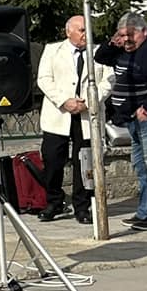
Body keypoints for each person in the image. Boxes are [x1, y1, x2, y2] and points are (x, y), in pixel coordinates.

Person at [96, 13, 147, 230]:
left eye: (130, 35)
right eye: (122, 35)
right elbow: (100, 57)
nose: (126, 40)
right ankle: (144, 212)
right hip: (134, 119)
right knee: (141, 168)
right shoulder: (123, 49)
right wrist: (111, 43)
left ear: (144, 32)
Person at [36, 15, 109, 224]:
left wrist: (90, 100)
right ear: (68, 32)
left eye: (88, 30)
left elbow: (108, 81)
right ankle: (54, 201)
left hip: (86, 114)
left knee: (84, 161)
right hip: (59, 114)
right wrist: (64, 101)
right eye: (81, 30)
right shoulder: (53, 50)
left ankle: (82, 206)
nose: (86, 34)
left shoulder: (98, 52)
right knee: (52, 158)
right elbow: (44, 79)